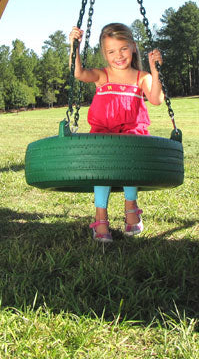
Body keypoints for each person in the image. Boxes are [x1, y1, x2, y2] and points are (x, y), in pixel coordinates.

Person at [69, 22, 165, 243]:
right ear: (104, 53)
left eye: (123, 48)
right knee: (102, 170)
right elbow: (79, 73)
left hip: (132, 134)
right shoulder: (102, 76)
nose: (118, 56)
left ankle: (131, 207)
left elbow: (156, 99)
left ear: (132, 47)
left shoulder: (142, 77)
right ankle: (100, 218)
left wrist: (155, 70)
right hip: (103, 134)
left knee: (128, 164)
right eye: (111, 51)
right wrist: (74, 47)